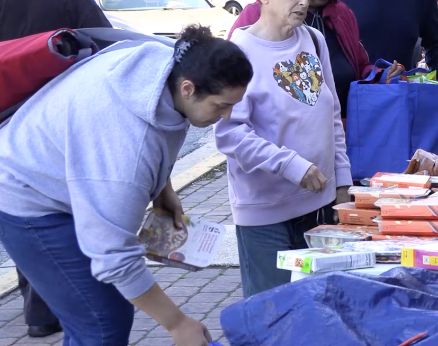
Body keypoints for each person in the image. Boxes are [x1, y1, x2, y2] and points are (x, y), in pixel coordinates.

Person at [0, 25, 252, 346]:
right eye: (221, 105)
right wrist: (177, 324)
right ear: (188, 88)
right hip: (25, 195)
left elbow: (159, 127)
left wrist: (163, 189)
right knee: (101, 323)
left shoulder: (168, 64)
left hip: (62, 174)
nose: (227, 115)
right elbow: (113, 255)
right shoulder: (126, 152)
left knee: (104, 315)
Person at [216, 0, 354, 298]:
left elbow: (331, 115)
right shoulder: (238, 53)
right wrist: (290, 165)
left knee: (317, 307)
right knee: (272, 312)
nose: (304, 0)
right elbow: (230, 134)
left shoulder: (314, 40)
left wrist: (342, 181)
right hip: (266, 214)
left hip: (319, 206)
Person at [0, 0, 113, 339]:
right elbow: (109, 49)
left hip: (9, 119)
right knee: (63, 210)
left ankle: (37, 311)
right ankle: (69, 302)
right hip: (63, 122)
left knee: (24, 208)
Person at [230, 0, 379, 119]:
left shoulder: (342, 14)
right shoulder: (257, 15)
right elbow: (228, 86)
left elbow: (358, 65)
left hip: (340, 127)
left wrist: (378, 75)